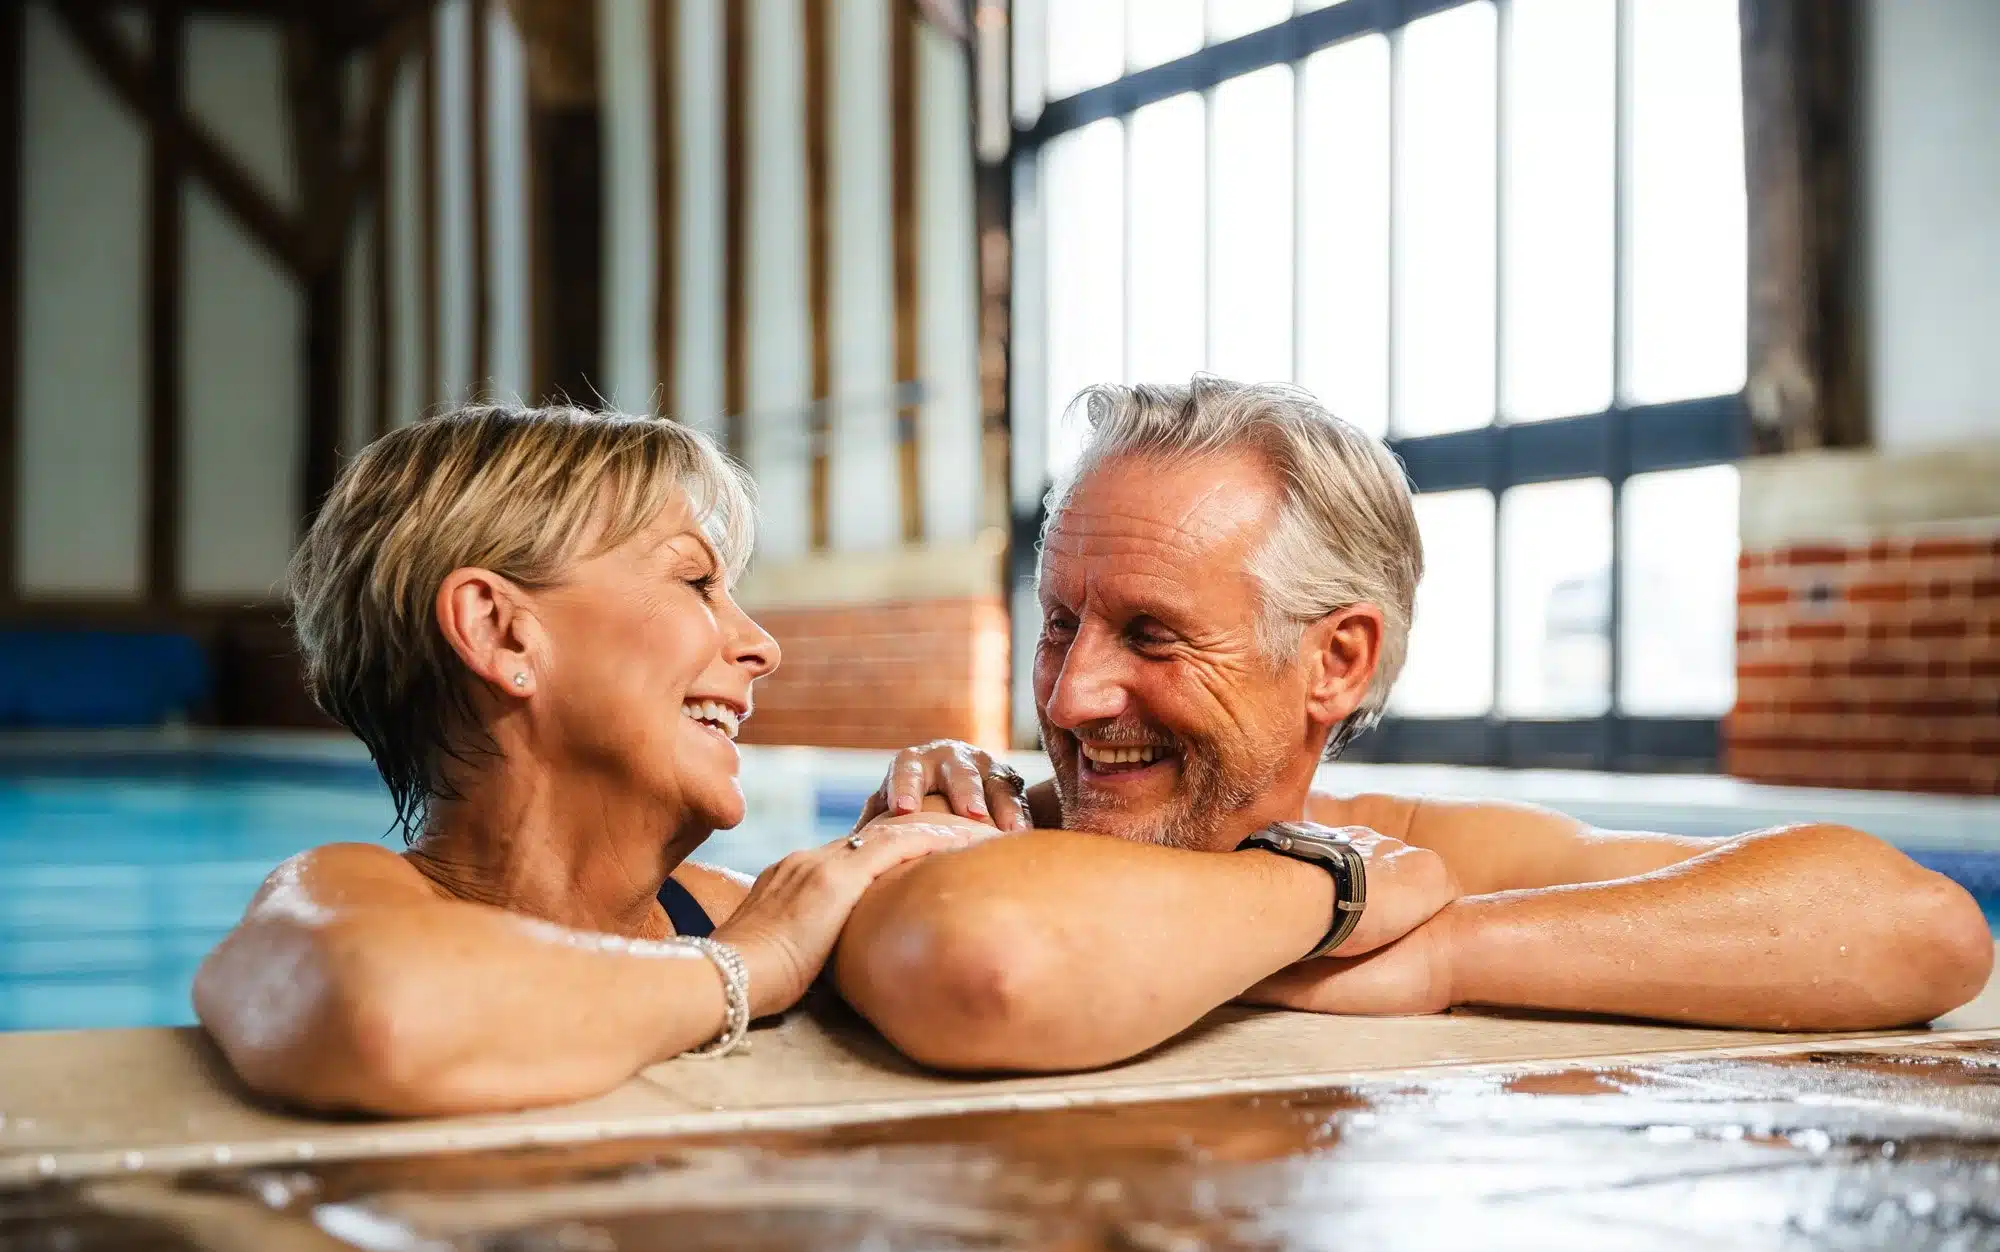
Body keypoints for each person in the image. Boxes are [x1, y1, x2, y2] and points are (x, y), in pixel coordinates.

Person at [834, 376, 1994, 1073]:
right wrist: (1336, 909)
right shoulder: (974, 832)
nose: (1070, 696)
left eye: (1149, 635)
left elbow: (1917, 926)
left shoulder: (1425, 864)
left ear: (1335, 660)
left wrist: (1446, 954)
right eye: (1058, 624)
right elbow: (988, 962)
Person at [194, 405, 995, 1117]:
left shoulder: (729, 906)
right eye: (695, 581)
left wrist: (953, 816)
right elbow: (383, 1012)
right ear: (501, 632)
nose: (762, 645)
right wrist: (746, 968)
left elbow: (992, 962)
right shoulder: (345, 899)